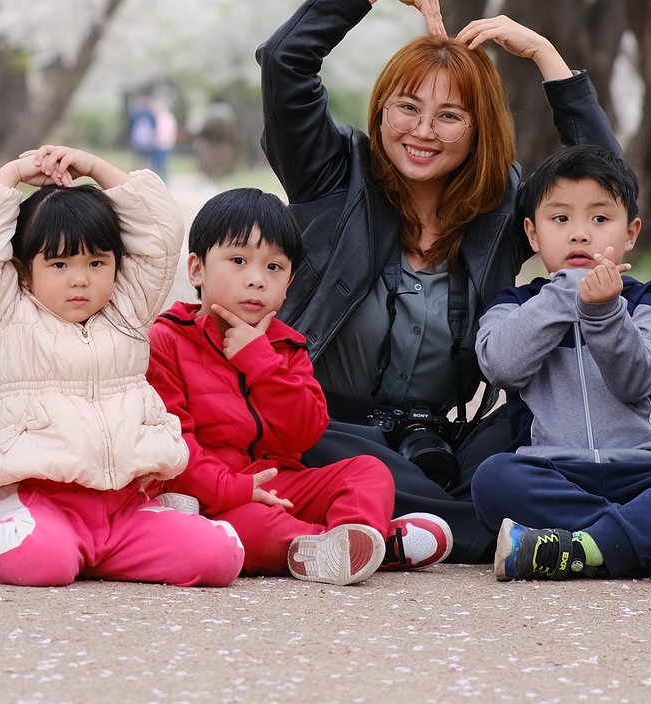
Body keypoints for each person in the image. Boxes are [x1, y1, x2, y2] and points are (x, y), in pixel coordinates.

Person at [259, 0, 620, 563]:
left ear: (478, 130)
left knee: (531, 424)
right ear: (382, 110)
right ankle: (486, 527)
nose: (422, 131)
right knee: (297, 437)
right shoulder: (332, 175)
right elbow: (284, 63)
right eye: (408, 107)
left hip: (440, 440)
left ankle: (421, 522)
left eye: (449, 116)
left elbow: (604, 192)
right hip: (328, 430)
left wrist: (546, 56)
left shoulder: (502, 209)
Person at [0, 146, 244, 587]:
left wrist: (93, 166)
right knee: (44, 561)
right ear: (23, 271)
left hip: (127, 507)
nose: (80, 278)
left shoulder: (127, 311)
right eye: (59, 263)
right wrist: (14, 171)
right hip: (43, 504)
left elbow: (160, 232)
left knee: (220, 556)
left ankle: (95, 550)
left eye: (96, 262)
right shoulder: (1, 316)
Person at [473, 146, 651, 583]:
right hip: (554, 473)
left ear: (631, 232)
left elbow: (637, 380)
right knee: (493, 479)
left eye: (600, 219)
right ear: (532, 233)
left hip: (648, 474)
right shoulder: (515, 305)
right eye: (560, 218)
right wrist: (568, 292)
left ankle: (581, 549)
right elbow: (501, 367)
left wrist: (605, 313)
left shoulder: (650, 301)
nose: (579, 235)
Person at [147, 187, 452, 585]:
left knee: (369, 472)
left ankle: (353, 540)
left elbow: (306, 431)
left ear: (290, 281)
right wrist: (236, 489)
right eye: (238, 261)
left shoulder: (286, 345)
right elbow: (175, 448)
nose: (257, 280)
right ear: (197, 269)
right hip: (213, 497)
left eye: (274, 267)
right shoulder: (167, 341)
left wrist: (261, 363)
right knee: (247, 528)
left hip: (281, 482)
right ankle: (365, 545)